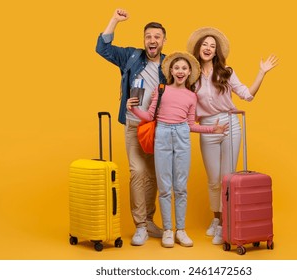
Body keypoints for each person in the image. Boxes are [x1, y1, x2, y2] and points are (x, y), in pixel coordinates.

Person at [187, 27, 278, 245]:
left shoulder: (226, 71)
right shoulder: (191, 75)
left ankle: (226, 224)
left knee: (227, 176)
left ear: (216, 51)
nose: (208, 48)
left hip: (229, 124)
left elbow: (247, 95)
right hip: (207, 127)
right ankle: (216, 219)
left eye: (212, 45)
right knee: (213, 180)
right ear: (198, 48)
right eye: (204, 44)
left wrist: (262, 72)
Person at [127, 52, 228, 248]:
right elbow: (149, 116)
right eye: (177, 68)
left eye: (184, 68)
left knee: (181, 187)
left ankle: (180, 230)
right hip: (162, 134)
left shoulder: (192, 96)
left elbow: (190, 124)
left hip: (182, 135)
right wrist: (133, 109)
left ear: (189, 71)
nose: (180, 71)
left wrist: (212, 129)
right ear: (170, 71)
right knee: (165, 187)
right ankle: (167, 230)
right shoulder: (161, 89)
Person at [95, 8, 167, 246]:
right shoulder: (132, 57)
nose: (152, 40)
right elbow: (102, 48)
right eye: (148, 36)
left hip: (159, 129)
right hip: (135, 124)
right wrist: (114, 20)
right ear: (144, 40)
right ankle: (139, 226)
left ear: (164, 41)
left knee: (154, 176)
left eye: (157, 36)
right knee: (137, 173)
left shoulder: (170, 64)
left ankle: (148, 220)